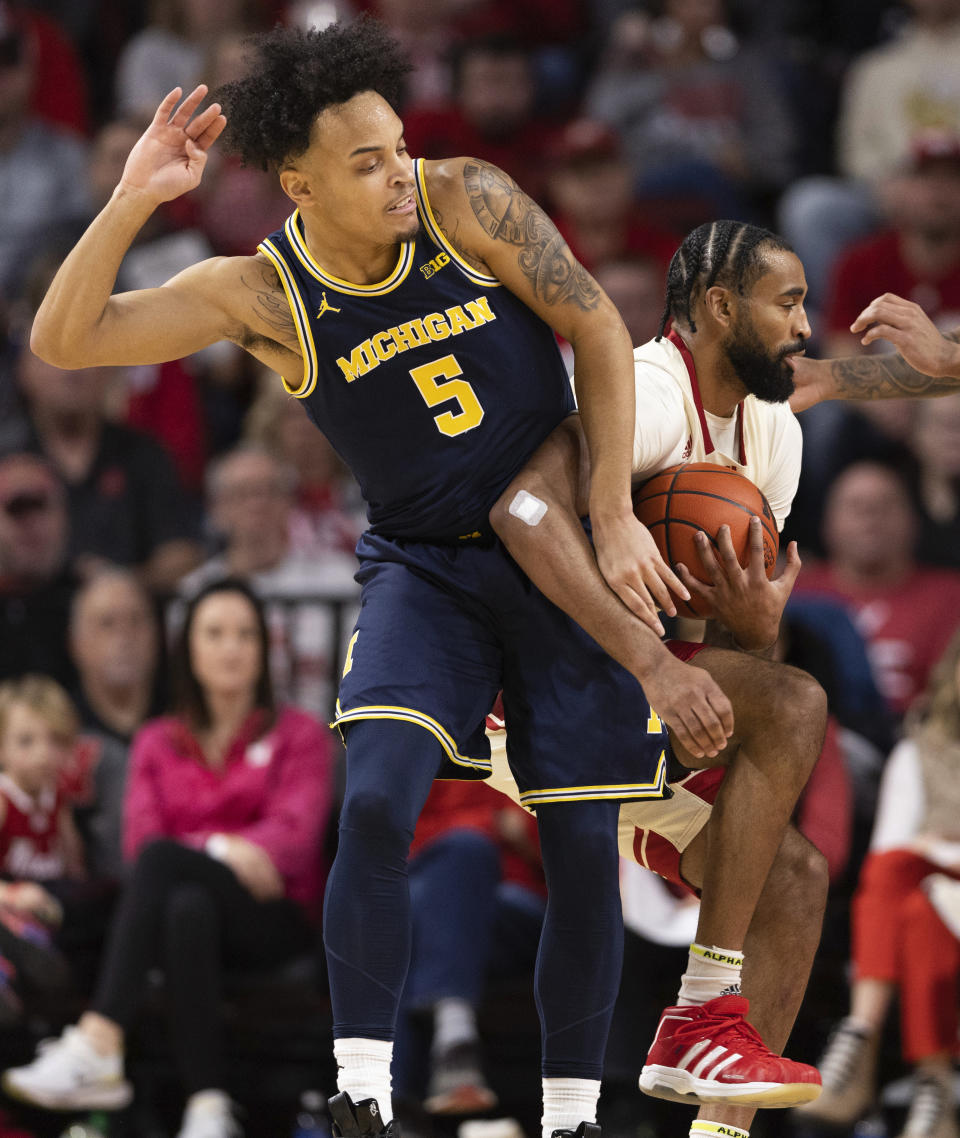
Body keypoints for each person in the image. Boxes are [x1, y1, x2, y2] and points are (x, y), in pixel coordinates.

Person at [23, 19, 739, 1138]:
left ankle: (568, 1117)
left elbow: (596, 324)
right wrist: (131, 201)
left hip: (559, 549)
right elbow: (67, 342)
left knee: (578, 846)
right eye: (364, 163)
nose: (396, 170)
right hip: (425, 569)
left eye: (396, 143)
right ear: (299, 185)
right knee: (371, 799)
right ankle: (363, 1085)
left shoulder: (464, 198)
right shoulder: (265, 294)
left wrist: (609, 511)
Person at [490, 219, 833, 1138]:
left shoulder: (771, 438)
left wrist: (755, 628)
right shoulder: (643, 393)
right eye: (789, 302)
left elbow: (731, 692)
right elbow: (522, 512)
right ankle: (704, 1009)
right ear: (722, 308)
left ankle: (719, 1125)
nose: (807, 325)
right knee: (798, 701)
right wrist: (652, 659)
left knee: (794, 878)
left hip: (621, 696)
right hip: (523, 686)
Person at [2, 578, 336, 1138]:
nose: (231, 647)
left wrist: (205, 846)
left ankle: (100, 1040)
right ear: (190, 650)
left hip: (274, 915)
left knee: (168, 867)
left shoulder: (300, 735)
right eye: (215, 633)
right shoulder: (158, 740)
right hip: (189, 914)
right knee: (184, 901)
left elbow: (294, 842)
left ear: (264, 649)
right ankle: (208, 1108)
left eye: (245, 635)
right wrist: (228, 846)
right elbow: (138, 843)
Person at [795, 626, 960, 1138]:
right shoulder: (921, 753)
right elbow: (889, 851)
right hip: (940, 906)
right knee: (907, 898)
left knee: (903, 872)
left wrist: (941, 848)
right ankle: (935, 1089)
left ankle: (860, 1038)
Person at [795, 460, 960, 720]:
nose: (871, 517)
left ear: (914, 520)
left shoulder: (951, 596)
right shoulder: (795, 594)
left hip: (919, 738)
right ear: (827, 523)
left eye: (886, 505)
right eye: (856, 506)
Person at [0, 675, 84, 1020]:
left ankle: (34, 957)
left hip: (48, 902)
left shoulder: (57, 802)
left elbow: (73, 863)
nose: (43, 754)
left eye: (55, 742)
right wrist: (12, 895)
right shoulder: (4, 800)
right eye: (26, 742)